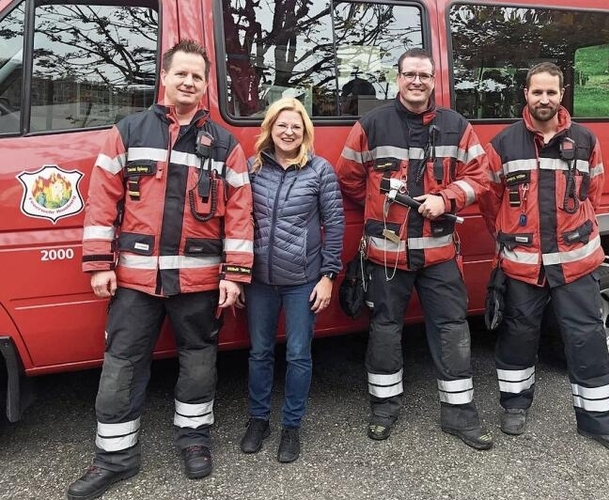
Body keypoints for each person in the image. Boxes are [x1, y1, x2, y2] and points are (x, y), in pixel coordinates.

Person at [69, 39, 253, 500]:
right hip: (134, 279)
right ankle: (115, 457)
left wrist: (233, 274)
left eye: (197, 76)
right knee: (121, 365)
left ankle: (194, 440)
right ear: (164, 78)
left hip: (199, 280)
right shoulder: (129, 131)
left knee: (198, 362)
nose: (189, 82)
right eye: (181, 74)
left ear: (206, 85)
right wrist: (97, 265)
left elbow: (240, 213)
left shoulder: (226, 144)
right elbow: (101, 202)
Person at [336, 48, 492, 450]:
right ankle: (383, 407)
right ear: (398, 78)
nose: (417, 82)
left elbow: (481, 177)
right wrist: (381, 210)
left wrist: (449, 198)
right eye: (410, 75)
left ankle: (459, 413)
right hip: (388, 256)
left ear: (434, 79)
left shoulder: (457, 126)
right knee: (385, 330)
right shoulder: (371, 124)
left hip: (440, 254)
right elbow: (350, 179)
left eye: (424, 75)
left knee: (452, 330)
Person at [478, 62, 609, 454]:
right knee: (518, 335)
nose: (543, 99)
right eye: (537, 92)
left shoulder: (585, 140)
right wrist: (512, 238)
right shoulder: (502, 145)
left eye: (551, 92)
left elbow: (594, 194)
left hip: (576, 262)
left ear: (561, 94)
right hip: (523, 263)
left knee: (587, 338)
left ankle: (599, 421)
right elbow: (488, 201)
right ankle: (514, 406)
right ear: (525, 95)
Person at [240, 97, 344, 463]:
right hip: (259, 281)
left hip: (303, 280)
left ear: (305, 133)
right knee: (260, 353)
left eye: (296, 127)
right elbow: (238, 222)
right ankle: (258, 420)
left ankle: (291, 426)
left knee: (299, 355)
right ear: (270, 129)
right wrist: (237, 274)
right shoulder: (252, 170)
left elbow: (334, 225)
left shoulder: (320, 171)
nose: (288, 132)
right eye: (282, 125)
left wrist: (329, 276)